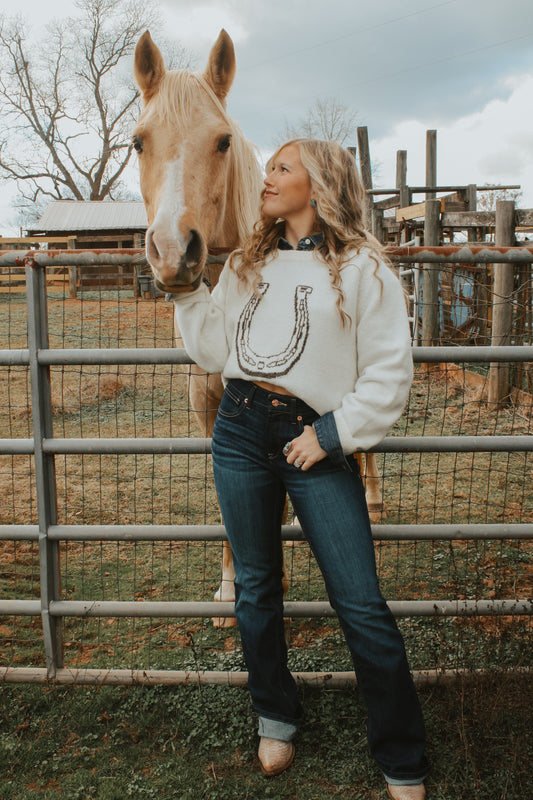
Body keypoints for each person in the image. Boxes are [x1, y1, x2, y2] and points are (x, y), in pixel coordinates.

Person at [172, 138, 428, 799]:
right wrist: (185, 289)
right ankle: (275, 716)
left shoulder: (362, 267)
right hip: (237, 430)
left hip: (310, 439)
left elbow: (389, 370)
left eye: (281, 168)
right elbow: (210, 350)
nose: (266, 177)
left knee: (360, 602)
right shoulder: (247, 262)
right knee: (256, 587)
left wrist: (333, 433)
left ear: (318, 186)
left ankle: (401, 754)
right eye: (269, 167)